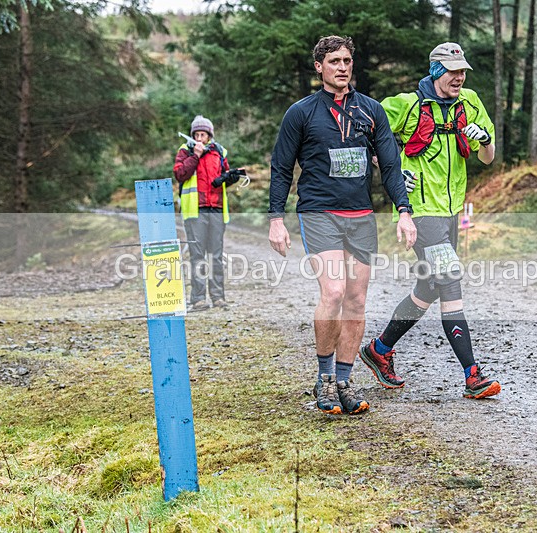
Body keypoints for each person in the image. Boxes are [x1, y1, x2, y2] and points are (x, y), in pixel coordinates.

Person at [269, 36, 417, 415]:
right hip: (319, 213)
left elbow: (390, 164)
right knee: (333, 292)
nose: (342, 67)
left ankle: (346, 381)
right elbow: (282, 168)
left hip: (361, 216)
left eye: (347, 60)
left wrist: (404, 210)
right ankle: (324, 379)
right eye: (334, 60)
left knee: (356, 299)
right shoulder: (300, 113)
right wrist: (276, 220)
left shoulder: (370, 111)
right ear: (319, 67)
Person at [360, 42, 502, 399]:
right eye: (453, 70)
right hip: (420, 211)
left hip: (451, 210)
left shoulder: (469, 102)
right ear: (436, 70)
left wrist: (484, 140)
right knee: (450, 281)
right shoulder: (408, 105)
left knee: (428, 288)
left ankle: (379, 349)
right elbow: (365, 130)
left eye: (462, 70)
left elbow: (489, 157)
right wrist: (389, 167)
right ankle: (473, 375)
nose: (460, 77)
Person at [174, 115, 246, 311]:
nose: (199, 138)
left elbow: (224, 177)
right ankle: (197, 299)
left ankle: (218, 297)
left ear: (209, 135)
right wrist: (195, 156)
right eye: (196, 134)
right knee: (197, 256)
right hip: (194, 212)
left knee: (216, 256)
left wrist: (231, 177)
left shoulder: (219, 151)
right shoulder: (185, 151)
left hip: (217, 210)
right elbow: (180, 174)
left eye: (203, 134)